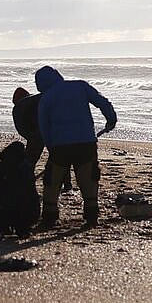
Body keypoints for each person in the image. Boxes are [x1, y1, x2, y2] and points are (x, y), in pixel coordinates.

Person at [33, 65, 117, 229]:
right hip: (86, 142)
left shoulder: (46, 98)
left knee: (52, 182)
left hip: (60, 146)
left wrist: (51, 147)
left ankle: (49, 217)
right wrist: (111, 119)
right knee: (89, 180)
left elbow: (44, 127)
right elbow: (103, 102)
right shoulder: (80, 86)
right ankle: (91, 216)